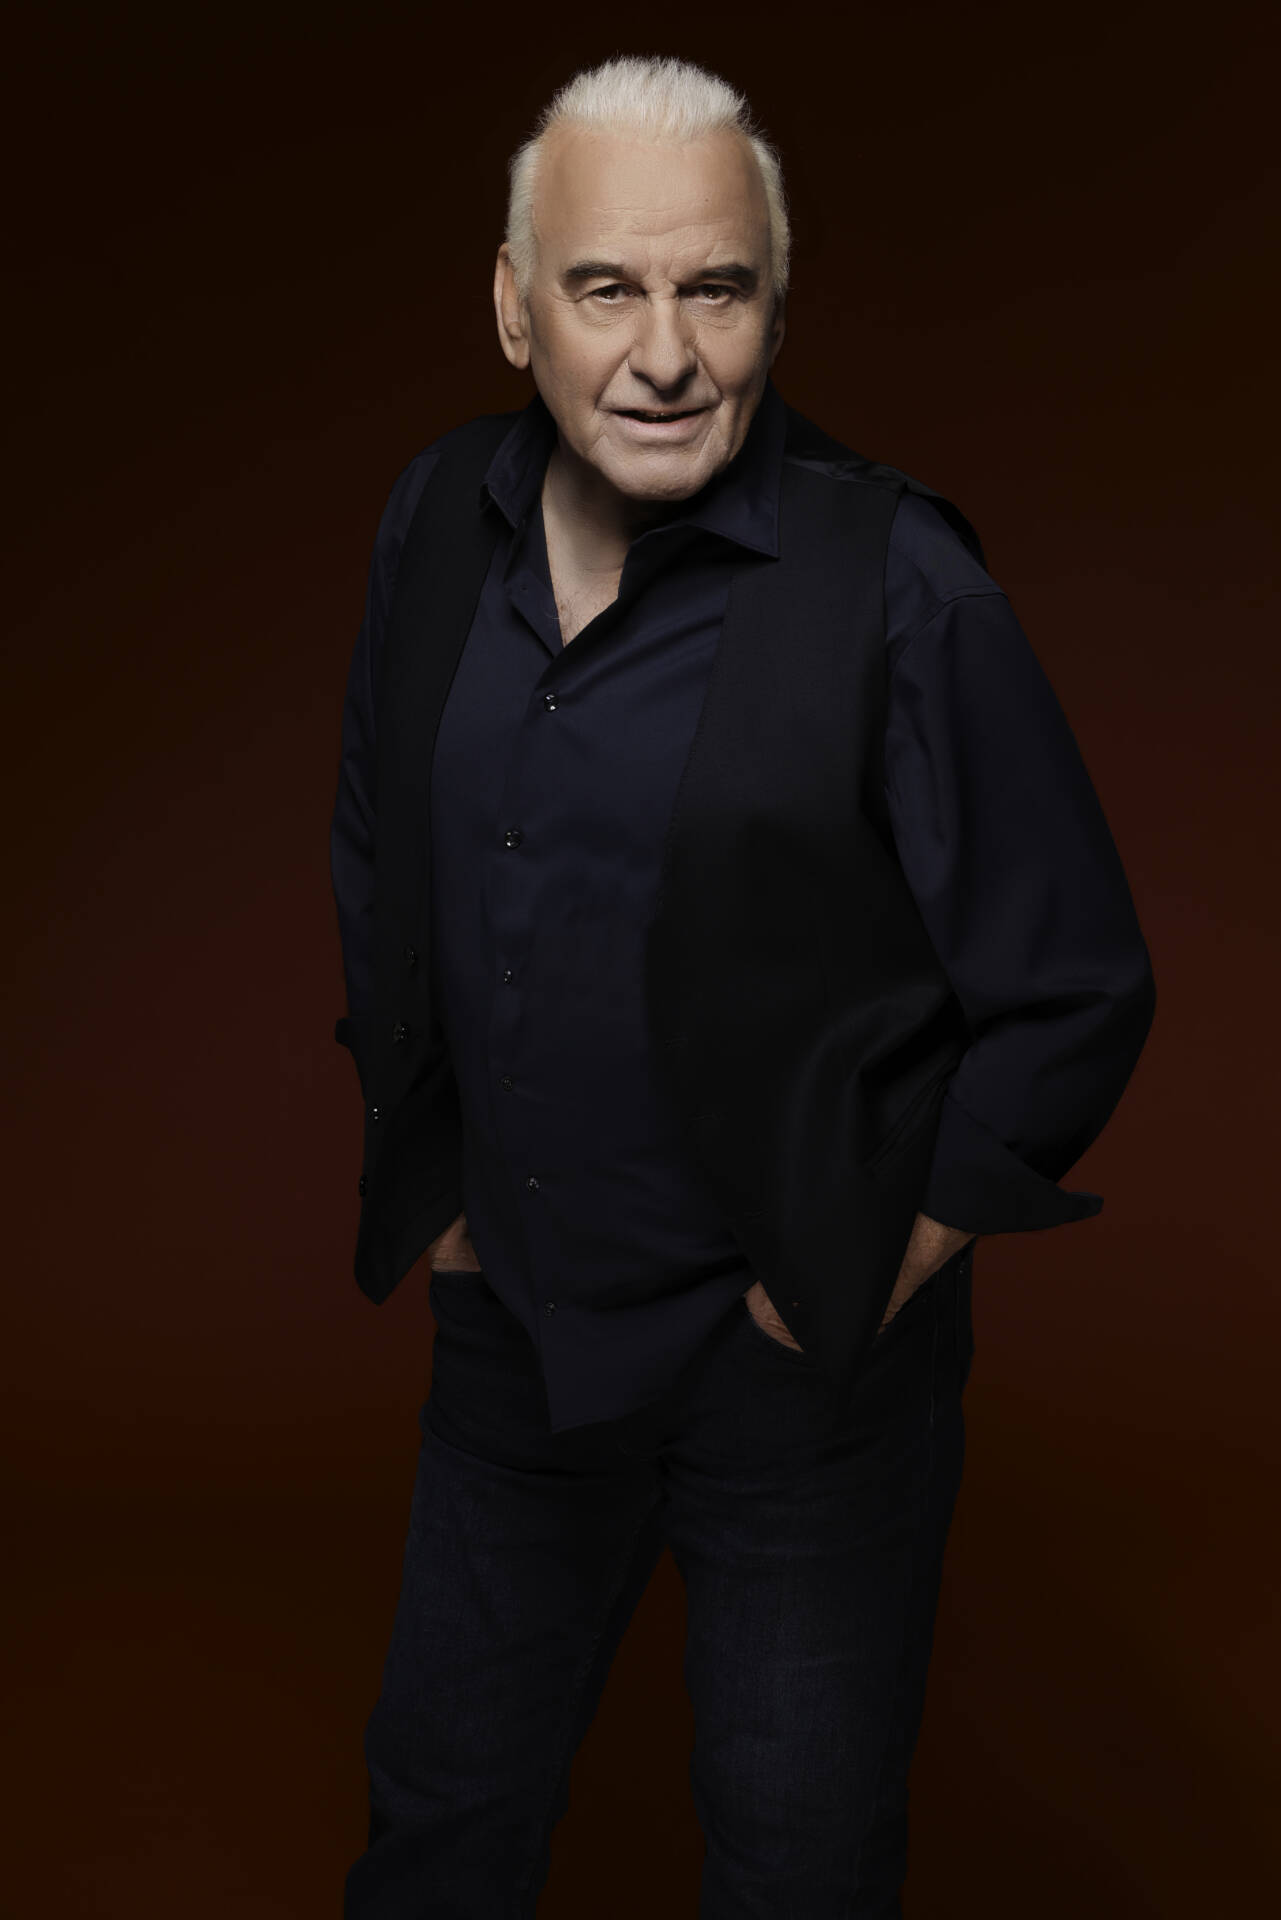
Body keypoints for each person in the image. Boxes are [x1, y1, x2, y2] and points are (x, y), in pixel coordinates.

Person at [330, 53, 1156, 1919]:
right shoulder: (434, 518)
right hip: (514, 1330)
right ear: (512, 305)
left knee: (797, 1866)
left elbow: (1074, 984)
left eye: (716, 289)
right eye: (604, 288)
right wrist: (430, 1169)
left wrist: (879, 1256)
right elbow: (380, 849)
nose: (663, 355)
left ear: (776, 306)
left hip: (798, 1376)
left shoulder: (899, 579)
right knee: (441, 1823)